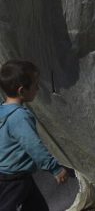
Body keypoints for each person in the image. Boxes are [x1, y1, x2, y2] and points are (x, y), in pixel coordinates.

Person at [0, 60, 69, 211]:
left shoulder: (3, 112)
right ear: (21, 90)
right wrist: (55, 168)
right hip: (13, 179)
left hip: (17, 175)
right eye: (35, 85)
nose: (38, 88)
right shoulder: (19, 117)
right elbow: (33, 146)